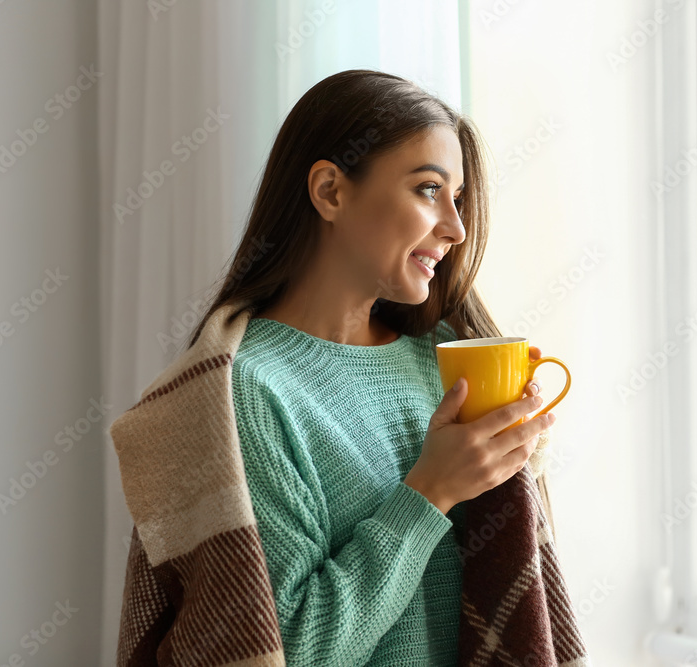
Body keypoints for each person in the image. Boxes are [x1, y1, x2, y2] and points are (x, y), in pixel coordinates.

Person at [185, 69, 557, 666]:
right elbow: (287, 651)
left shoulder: (442, 360)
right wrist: (430, 491)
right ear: (331, 190)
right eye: (429, 189)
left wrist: (516, 450)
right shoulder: (251, 391)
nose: (456, 229)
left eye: (457, 199)